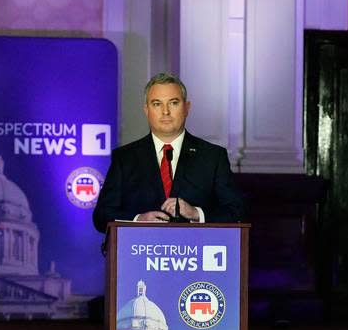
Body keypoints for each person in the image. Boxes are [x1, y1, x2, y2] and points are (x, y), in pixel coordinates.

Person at [93, 72, 244, 232]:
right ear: (146, 110)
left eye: (173, 103)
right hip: (140, 252)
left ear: (187, 107)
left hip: (195, 252)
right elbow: (102, 215)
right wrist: (137, 220)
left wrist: (196, 213)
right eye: (157, 104)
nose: (165, 111)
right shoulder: (125, 158)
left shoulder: (213, 157)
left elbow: (236, 211)